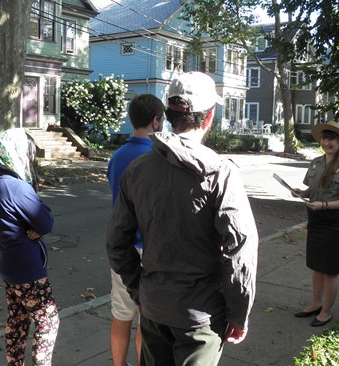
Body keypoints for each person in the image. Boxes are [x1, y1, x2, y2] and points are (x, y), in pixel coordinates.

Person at [106, 72, 258, 365]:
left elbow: (116, 243)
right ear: (209, 117)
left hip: (154, 309)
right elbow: (240, 249)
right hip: (200, 317)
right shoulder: (221, 172)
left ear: (169, 115)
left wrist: (141, 289)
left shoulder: (137, 170)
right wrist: (239, 312)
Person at [0, 128, 59, 366]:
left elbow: (31, 219)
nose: (31, 157)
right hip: (27, 267)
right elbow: (45, 220)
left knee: (18, 319)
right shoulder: (15, 185)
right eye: (29, 151)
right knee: (48, 321)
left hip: (9, 262)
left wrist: (34, 223)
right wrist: (37, 224)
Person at [107, 94, 165, 366]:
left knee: (121, 314)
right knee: (147, 318)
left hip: (122, 246)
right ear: (156, 120)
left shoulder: (117, 157)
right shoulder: (157, 158)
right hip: (150, 249)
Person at [292, 121, 339, 327]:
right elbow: (311, 191)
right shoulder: (315, 163)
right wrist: (300, 192)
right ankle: (315, 304)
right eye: (324, 138)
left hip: (335, 224)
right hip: (316, 221)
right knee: (316, 266)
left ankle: (326, 312)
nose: (327, 142)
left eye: (332, 138)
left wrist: (323, 205)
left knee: (330, 269)